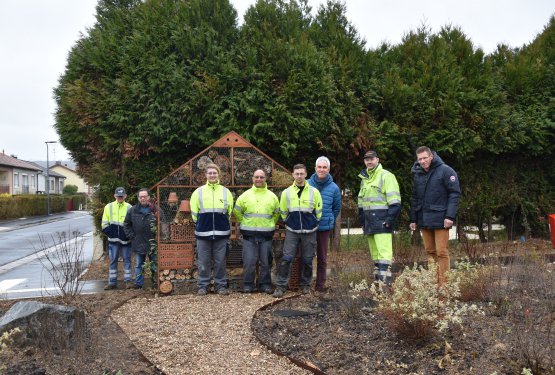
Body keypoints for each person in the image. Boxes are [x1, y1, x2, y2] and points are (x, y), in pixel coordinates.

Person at [409, 146, 461, 286]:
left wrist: (449, 216)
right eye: (420, 159)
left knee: (441, 252)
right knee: (430, 251)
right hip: (424, 219)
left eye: (425, 158)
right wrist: (413, 218)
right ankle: (434, 282)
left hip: (441, 219)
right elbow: (415, 198)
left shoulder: (446, 171)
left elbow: (454, 194)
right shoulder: (418, 174)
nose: (422, 161)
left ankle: (444, 285)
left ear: (431, 156)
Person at [273, 164, 322, 298]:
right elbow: (283, 211)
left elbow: (319, 211)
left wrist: (314, 222)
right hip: (292, 230)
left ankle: (305, 284)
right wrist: (288, 220)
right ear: (293, 175)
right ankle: (281, 286)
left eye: (301, 173)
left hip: (310, 231)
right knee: (286, 258)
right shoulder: (286, 192)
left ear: (306, 174)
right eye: (296, 174)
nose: (299, 176)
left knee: (307, 259)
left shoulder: (314, 192)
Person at [357, 150, 401, 285]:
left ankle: (385, 285)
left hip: (382, 221)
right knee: (375, 255)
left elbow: (395, 202)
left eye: (372, 159)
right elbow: (361, 202)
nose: (369, 161)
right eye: (366, 159)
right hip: (369, 222)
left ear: (377, 159)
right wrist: (362, 220)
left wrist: (389, 220)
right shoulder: (365, 179)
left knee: (384, 255)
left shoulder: (386, 176)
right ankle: (378, 283)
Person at [190, 163, 234, 295]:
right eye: (210, 173)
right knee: (203, 261)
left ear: (218, 174)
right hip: (203, 233)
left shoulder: (226, 192)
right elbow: (194, 213)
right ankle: (203, 286)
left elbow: (229, 212)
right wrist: (201, 224)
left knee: (220, 261)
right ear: (206, 175)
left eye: (215, 173)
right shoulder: (198, 192)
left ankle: (220, 286)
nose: (212, 175)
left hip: (221, 234)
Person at [233, 169, 280, 294]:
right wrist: (245, 222)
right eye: (256, 177)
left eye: (261, 177)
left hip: (266, 236)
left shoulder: (272, 196)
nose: (259, 179)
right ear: (253, 179)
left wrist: (269, 224)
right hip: (249, 236)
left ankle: (265, 285)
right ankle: (248, 285)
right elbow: (237, 211)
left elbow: (276, 214)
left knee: (266, 262)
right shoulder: (245, 196)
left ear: (265, 179)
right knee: (249, 262)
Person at [308, 156, 341, 292]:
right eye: (319, 167)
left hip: (324, 227)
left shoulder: (334, 188)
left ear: (328, 169)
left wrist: (328, 219)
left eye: (324, 167)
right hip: (308, 226)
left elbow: (336, 208)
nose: (321, 170)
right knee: (307, 256)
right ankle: (305, 283)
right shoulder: (307, 184)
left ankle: (320, 285)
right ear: (315, 168)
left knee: (322, 258)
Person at [124, 188, 158, 289]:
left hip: (153, 242)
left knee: (154, 265)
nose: (143, 198)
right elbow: (126, 224)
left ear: (148, 197)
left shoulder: (155, 209)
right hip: (139, 242)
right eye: (141, 196)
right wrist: (132, 236)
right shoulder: (133, 210)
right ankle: (138, 283)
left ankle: (155, 282)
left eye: (145, 196)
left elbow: (163, 223)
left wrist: (158, 237)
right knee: (139, 264)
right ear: (138, 198)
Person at [101, 187, 132, 290]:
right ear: (114, 196)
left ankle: (128, 282)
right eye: (118, 196)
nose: (120, 197)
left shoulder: (129, 207)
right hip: (113, 240)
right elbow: (104, 225)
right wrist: (112, 234)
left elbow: (132, 225)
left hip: (126, 240)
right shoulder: (108, 207)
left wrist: (128, 235)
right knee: (113, 260)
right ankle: (112, 283)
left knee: (127, 260)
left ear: (125, 196)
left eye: (122, 196)